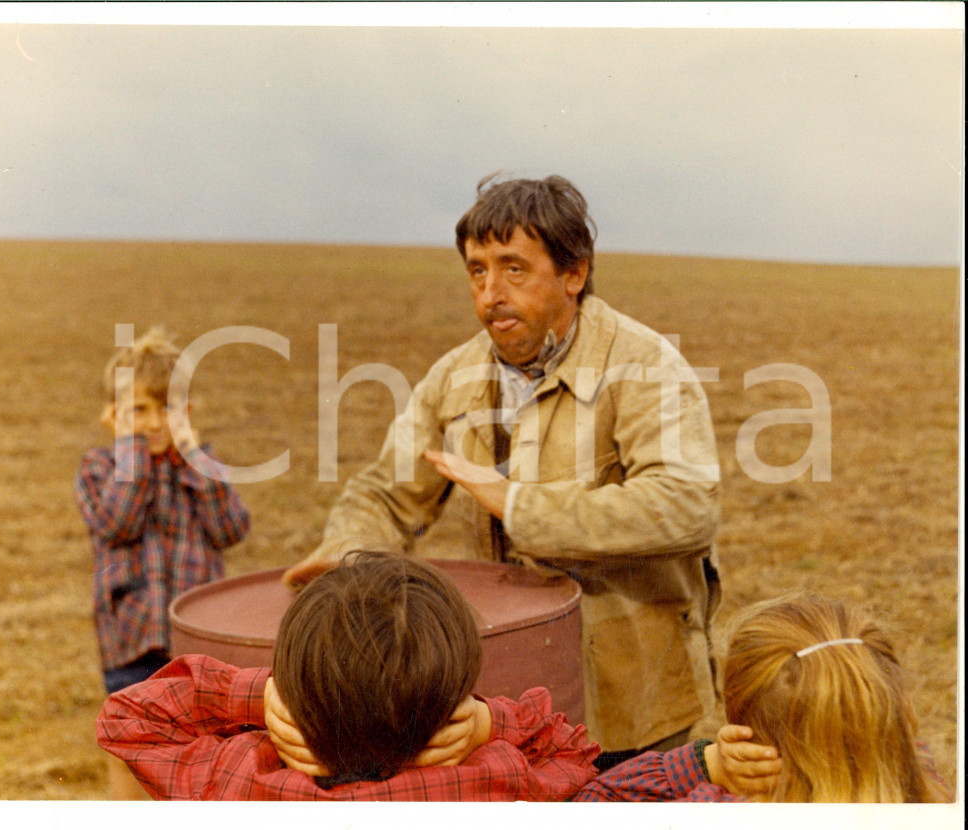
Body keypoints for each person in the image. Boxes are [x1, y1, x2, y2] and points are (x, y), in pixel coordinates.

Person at [283, 174, 722, 766]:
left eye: (514, 269)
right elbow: (386, 492)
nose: (491, 293)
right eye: (477, 270)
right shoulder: (453, 376)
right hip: (500, 697)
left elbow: (685, 506)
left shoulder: (645, 366)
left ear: (574, 274)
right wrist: (349, 550)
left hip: (632, 702)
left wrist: (517, 506)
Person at [96, 551, 601, 800]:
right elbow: (573, 748)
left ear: (294, 696)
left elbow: (126, 717)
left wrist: (258, 696)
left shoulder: (246, 779)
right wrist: (488, 725)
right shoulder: (496, 774)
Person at [76, 326, 250, 798]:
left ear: (187, 414)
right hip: (133, 641)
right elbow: (118, 524)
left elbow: (231, 529)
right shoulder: (100, 468)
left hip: (194, 642)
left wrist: (193, 457)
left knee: (200, 754)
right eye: (139, 410)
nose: (154, 423)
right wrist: (131, 452)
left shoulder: (198, 467)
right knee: (130, 752)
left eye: (167, 409)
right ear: (112, 417)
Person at [573, 594, 953, 802]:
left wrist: (707, 763)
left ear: (747, 737)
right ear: (902, 713)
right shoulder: (926, 791)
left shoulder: (713, 810)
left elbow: (593, 802)